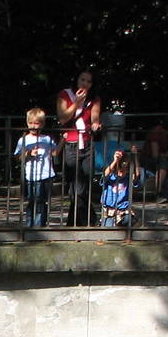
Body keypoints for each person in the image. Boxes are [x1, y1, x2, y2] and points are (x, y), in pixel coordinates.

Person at [55, 71, 101, 224]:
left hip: (87, 144)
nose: (85, 83)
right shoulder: (65, 95)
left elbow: (94, 118)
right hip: (71, 144)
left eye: (88, 81)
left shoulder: (94, 99)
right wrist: (77, 103)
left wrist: (95, 124)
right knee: (75, 186)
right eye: (82, 80)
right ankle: (90, 220)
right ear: (76, 80)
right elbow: (62, 119)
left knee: (85, 185)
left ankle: (73, 222)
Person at [13, 107, 58, 228]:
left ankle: (40, 225)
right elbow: (17, 157)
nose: (33, 126)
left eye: (36, 123)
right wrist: (28, 154)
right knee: (33, 200)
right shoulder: (24, 140)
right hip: (32, 175)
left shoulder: (47, 139)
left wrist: (63, 140)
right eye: (31, 123)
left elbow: (55, 153)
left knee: (42, 201)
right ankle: (31, 225)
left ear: (42, 124)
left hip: (46, 174)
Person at [99, 147, 140, 228]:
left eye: (125, 169)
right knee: (108, 230)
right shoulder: (111, 177)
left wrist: (135, 157)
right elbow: (105, 175)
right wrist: (115, 161)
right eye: (120, 169)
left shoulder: (128, 178)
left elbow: (137, 175)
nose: (122, 172)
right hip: (110, 211)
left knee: (130, 221)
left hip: (123, 211)